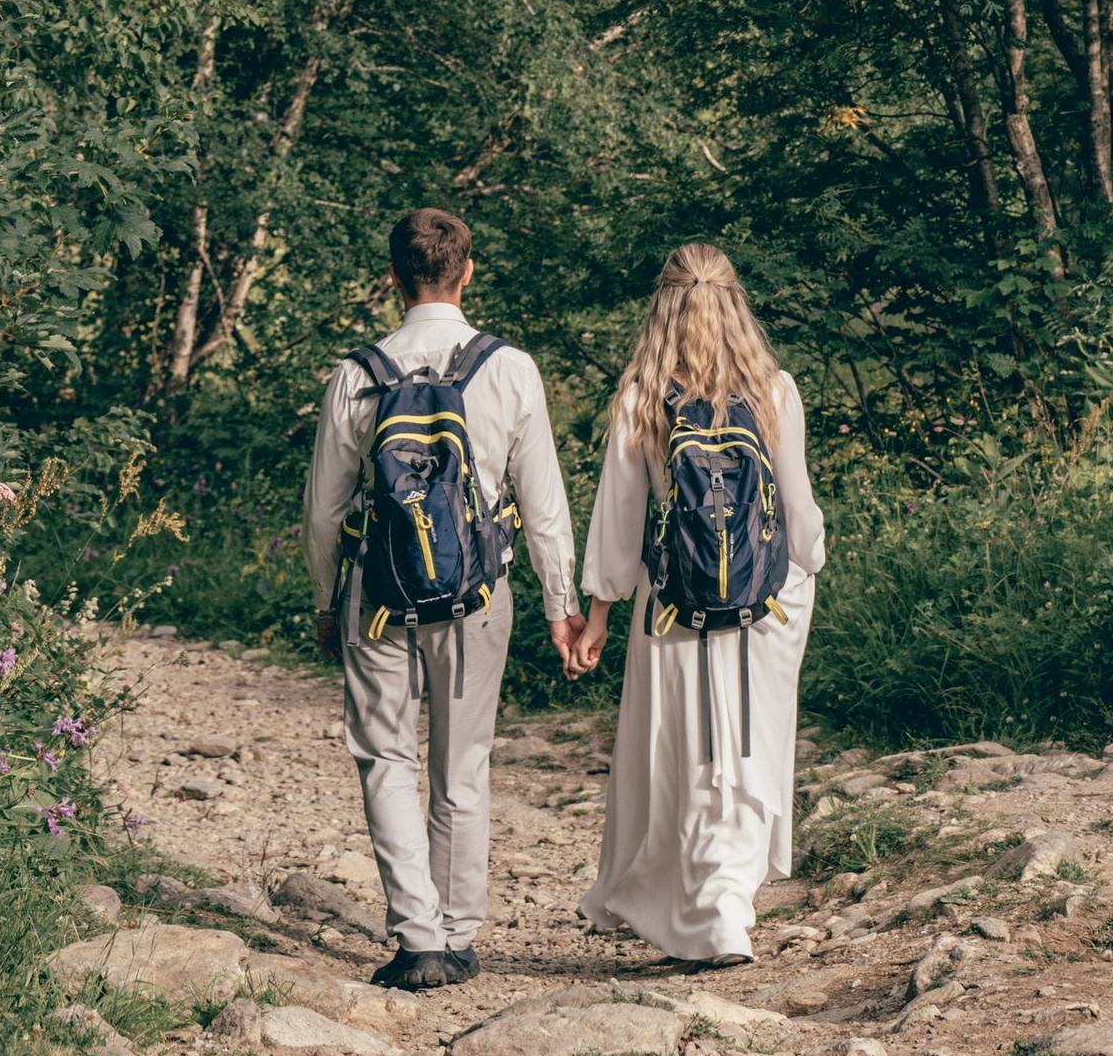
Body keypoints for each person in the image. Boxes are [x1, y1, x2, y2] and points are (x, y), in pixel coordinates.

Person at [302, 205, 582, 990]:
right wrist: (561, 606)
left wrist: (329, 600)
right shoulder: (510, 368)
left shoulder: (357, 373)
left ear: (392, 278)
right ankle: (459, 935)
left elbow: (323, 512)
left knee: (385, 756)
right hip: (477, 592)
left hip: (376, 594)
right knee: (463, 761)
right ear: (467, 272)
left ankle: (418, 937)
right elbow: (545, 503)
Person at [569, 241, 824, 968]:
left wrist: (599, 614)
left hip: (673, 607)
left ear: (663, 306)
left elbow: (617, 525)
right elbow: (801, 519)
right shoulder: (775, 390)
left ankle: (698, 909)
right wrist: (802, 571)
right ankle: (726, 908)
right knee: (745, 751)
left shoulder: (643, 397)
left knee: (683, 756)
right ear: (736, 303)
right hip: (763, 609)